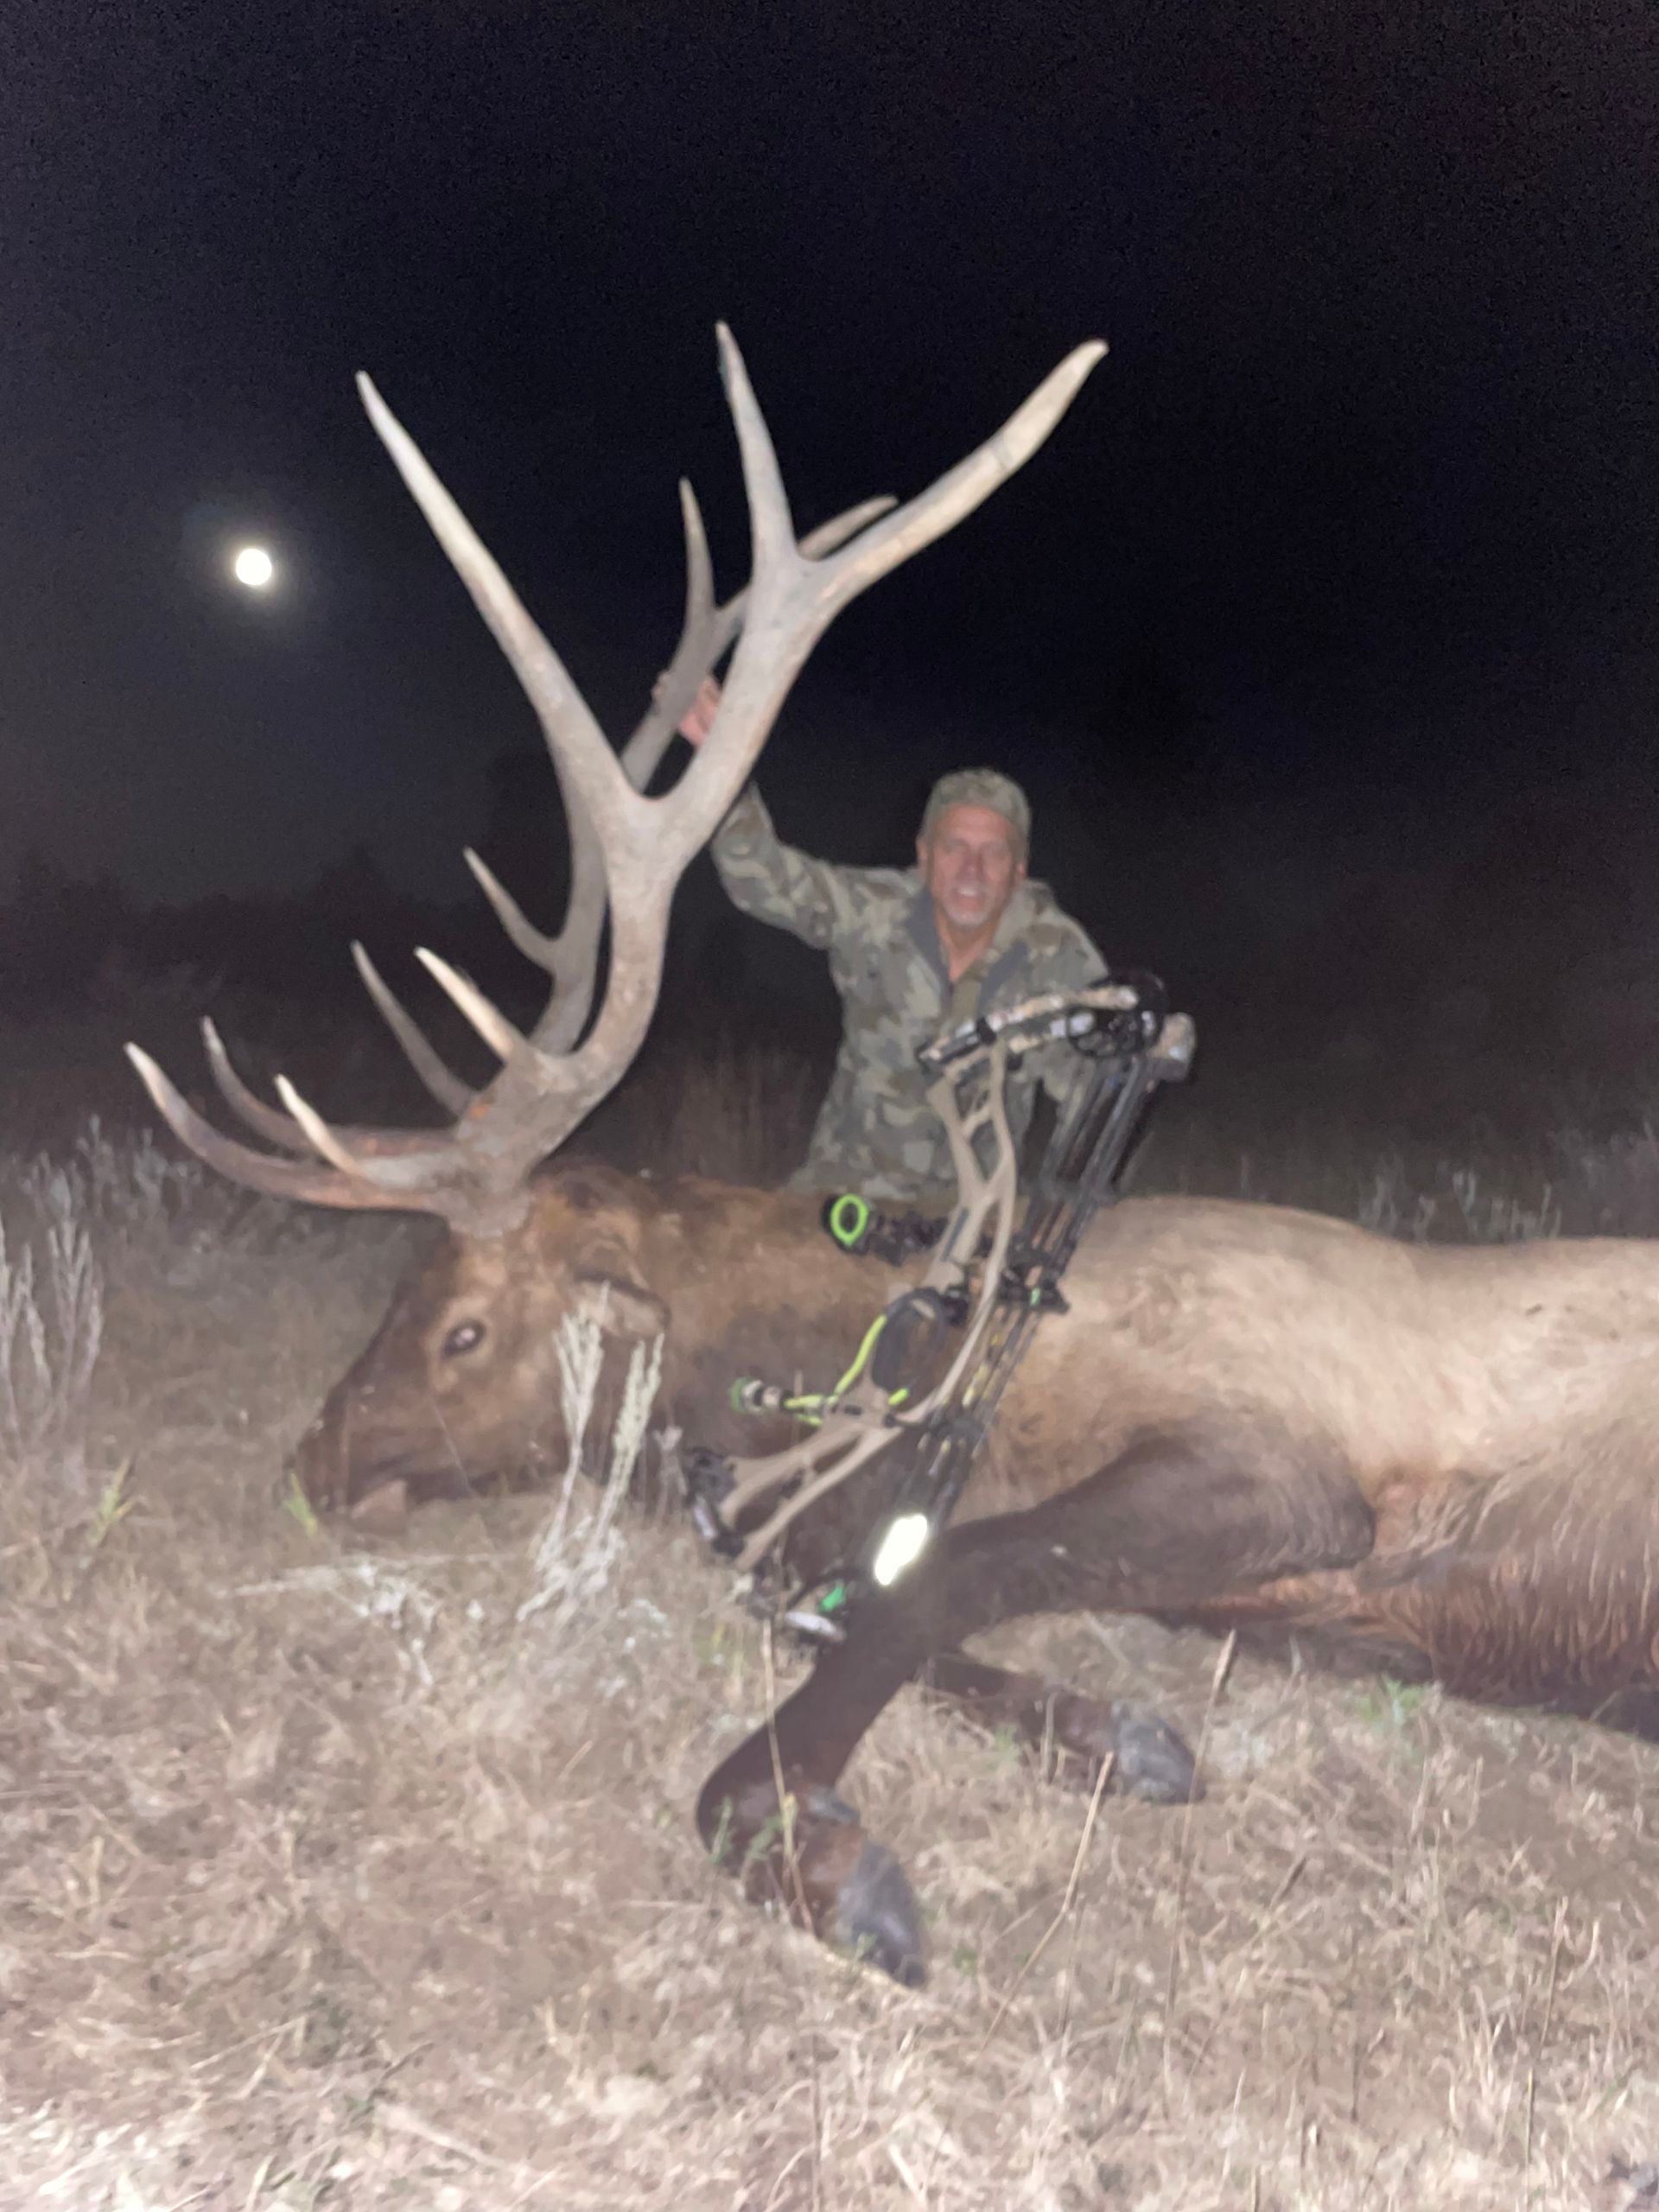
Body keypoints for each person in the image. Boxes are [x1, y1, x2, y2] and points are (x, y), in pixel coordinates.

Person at [679, 677, 1110, 1205]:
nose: (971, 870)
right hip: (839, 1201)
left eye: (993, 853)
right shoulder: (876, 913)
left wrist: (1129, 1054)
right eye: (954, 847)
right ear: (924, 856)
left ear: (1018, 872)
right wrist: (724, 763)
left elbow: (1093, 1084)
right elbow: (758, 878)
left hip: (972, 1223)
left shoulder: (1055, 952)